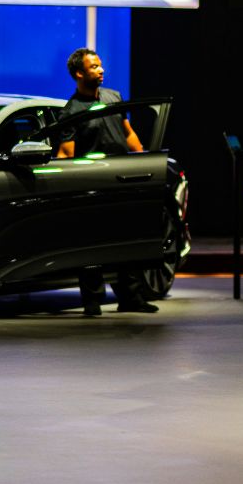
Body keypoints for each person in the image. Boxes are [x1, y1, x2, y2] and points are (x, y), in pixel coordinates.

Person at [57, 47, 156, 315]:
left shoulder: (114, 96)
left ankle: (131, 298)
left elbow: (128, 133)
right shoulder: (72, 111)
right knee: (91, 243)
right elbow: (66, 152)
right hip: (93, 182)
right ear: (79, 73)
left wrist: (144, 160)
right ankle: (92, 301)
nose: (101, 70)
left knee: (127, 239)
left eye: (100, 65)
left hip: (122, 178)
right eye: (94, 67)